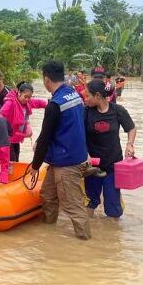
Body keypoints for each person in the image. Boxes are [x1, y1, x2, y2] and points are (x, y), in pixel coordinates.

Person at [27, 61, 92, 240]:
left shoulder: (54, 104)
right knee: (47, 196)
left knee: (73, 206)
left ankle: (86, 245)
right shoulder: (74, 94)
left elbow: (45, 138)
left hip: (67, 162)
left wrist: (35, 165)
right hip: (67, 156)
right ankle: (49, 236)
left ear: (46, 79)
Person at [83, 79, 137, 218]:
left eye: (88, 95)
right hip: (92, 167)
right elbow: (78, 135)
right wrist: (84, 154)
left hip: (113, 165)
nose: (85, 97)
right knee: (90, 202)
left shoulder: (118, 110)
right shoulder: (86, 112)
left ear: (98, 96)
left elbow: (131, 128)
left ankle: (113, 236)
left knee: (113, 207)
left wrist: (130, 144)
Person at [0, 81, 49, 163]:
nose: (27, 99)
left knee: (16, 161)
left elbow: (39, 103)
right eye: (25, 96)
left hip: (16, 139)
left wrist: (51, 104)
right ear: (19, 93)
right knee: (12, 163)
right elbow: (0, 115)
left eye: (29, 97)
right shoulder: (10, 103)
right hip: (7, 139)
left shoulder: (27, 102)